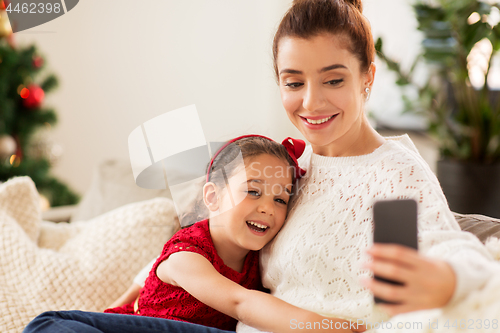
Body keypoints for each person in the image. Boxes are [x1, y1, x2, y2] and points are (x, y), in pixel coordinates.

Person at [24, 0, 496, 332]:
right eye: (294, 82)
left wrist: (448, 279)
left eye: (333, 79)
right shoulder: (287, 166)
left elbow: (453, 249)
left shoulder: (392, 171)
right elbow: (220, 237)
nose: (311, 102)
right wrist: (143, 281)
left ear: (367, 78)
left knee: (51, 325)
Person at [25, 135, 365, 333]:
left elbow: (140, 281)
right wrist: (330, 327)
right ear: (212, 197)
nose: (268, 208)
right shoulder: (187, 254)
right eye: (253, 191)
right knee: (50, 325)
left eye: (280, 199)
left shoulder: (261, 261)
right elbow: (240, 303)